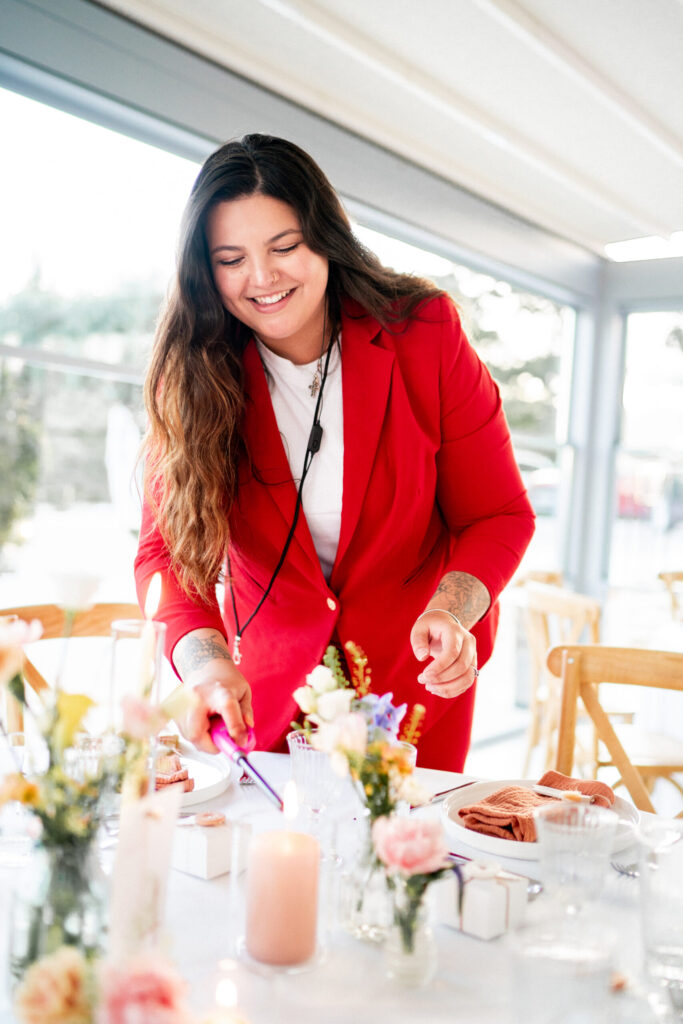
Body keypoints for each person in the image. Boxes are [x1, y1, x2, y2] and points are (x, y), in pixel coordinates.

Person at [135, 134, 535, 772]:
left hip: (413, 691)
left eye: (284, 247)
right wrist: (207, 667)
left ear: (325, 237)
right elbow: (165, 556)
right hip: (263, 703)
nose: (261, 278)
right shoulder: (188, 375)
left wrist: (453, 612)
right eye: (231, 258)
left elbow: (498, 515)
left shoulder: (425, 333)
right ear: (205, 270)